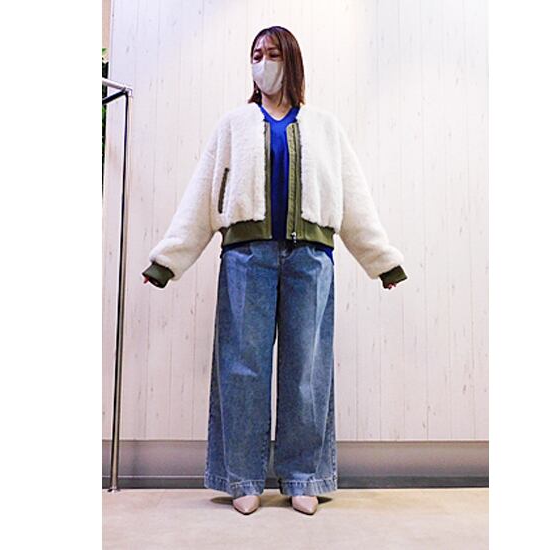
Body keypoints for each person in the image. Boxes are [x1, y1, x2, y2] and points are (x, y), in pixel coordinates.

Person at [142, 26, 407, 515]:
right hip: (248, 258)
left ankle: (304, 477)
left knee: (307, 368)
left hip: (311, 259)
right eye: (256, 54)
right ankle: (242, 478)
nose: (263, 63)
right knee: (242, 367)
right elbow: (201, 195)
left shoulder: (325, 127)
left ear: (292, 61)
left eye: (273, 54)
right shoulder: (233, 125)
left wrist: (382, 260)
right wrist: (167, 260)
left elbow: (353, 198)